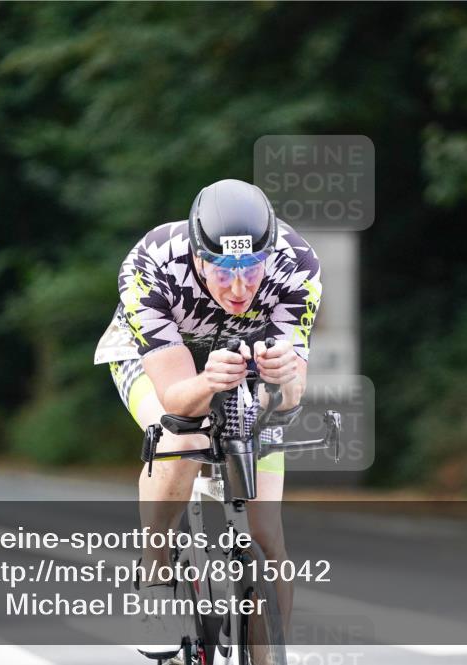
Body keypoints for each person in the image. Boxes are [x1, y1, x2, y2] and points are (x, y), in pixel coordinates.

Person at [94, 178, 322, 659]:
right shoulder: (151, 263)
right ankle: (155, 570)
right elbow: (177, 397)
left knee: (266, 533)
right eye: (222, 271)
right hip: (160, 359)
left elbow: (291, 393)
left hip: (240, 361)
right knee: (178, 436)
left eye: (251, 270)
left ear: (269, 254)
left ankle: (267, 652)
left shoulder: (297, 263)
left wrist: (281, 382)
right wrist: (207, 384)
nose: (239, 288)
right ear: (198, 257)